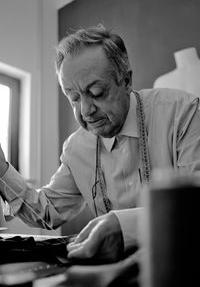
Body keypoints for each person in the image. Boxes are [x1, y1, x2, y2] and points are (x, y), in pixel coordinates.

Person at [0, 24, 200, 263]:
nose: (85, 111)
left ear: (126, 81)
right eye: (73, 98)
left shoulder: (183, 113)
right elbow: (46, 213)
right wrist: (2, 170)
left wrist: (122, 225)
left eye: (96, 92)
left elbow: (195, 208)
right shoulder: (76, 149)